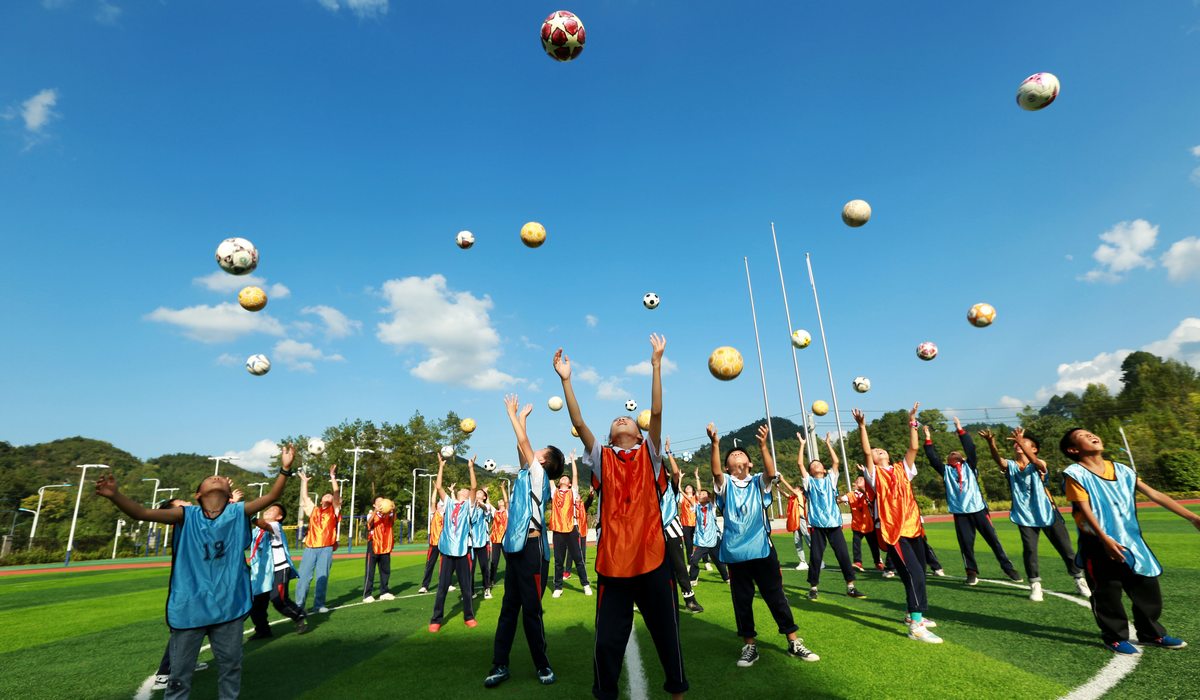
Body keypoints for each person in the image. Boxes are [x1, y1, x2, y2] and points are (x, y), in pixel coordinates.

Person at [95, 445, 295, 698]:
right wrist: (115, 495)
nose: (217, 478)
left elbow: (271, 496)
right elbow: (141, 512)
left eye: (221, 479)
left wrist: (285, 468)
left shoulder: (237, 512)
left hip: (228, 605)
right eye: (210, 478)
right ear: (199, 493)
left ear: (227, 493)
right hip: (190, 605)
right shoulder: (185, 515)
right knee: (180, 675)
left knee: (231, 666)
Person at [557, 336, 688, 700]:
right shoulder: (601, 457)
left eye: (628, 419)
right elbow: (579, 420)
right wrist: (566, 380)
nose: (621, 419)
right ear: (611, 436)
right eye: (616, 420)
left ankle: (677, 691)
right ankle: (605, 693)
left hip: (652, 557)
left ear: (638, 432)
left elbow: (657, 413)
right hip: (613, 562)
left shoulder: (652, 452)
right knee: (606, 641)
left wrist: (656, 364)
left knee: (667, 632)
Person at [1060, 427, 1200, 654]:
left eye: (1092, 433)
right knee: (1107, 592)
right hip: (1097, 543)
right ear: (1073, 449)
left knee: (1147, 588)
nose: (1093, 436)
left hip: (1131, 540)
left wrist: (1192, 517)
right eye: (1084, 436)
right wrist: (1105, 540)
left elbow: (1155, 494)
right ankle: (1114, 637)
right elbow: (1085, 511)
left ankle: (1151, 634)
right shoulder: (1075, 474)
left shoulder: (1123, 470)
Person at [708, 422, 819, 667]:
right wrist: (715, 445)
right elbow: (715, 473)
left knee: (775, 596)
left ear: (749, 463)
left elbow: (770, 472)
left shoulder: (759, 481)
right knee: (742, 601)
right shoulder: (725, 484)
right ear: (727, 467)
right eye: (732, 456)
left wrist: (762, 445)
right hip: (736, 554)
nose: (737, 455)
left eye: (741, 455)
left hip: (762, 550)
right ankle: (749, 646)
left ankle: (793, 641)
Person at [484, 394, 564, 689]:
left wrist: (512, 414)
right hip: (515, 548)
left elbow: (524, 445)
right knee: (509, 608)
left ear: (544, 460)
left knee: (531, 610)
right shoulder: (526, 474)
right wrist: (524, 420)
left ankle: (542, 665)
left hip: (533, 549)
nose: (534, 450)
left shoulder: (540, 475)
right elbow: (522, 449)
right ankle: (499, 664)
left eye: (540, 450)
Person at [853, 404, 943, 643]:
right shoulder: (874, 475)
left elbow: (914, 446)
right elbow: (865, 451)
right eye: (875, 451)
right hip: (895, 531)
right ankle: (915, 626)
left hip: (914, 528)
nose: (878, 451)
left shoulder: (903, 469)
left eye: (881, 449)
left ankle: (913, 614)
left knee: (916, 574)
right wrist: (862, 427)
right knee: (915, 575)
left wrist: (912, 421)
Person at [979, 428, 1090, 602]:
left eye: (1024, 443)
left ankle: (1079, 579)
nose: (1018, 444)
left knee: (1066, 550)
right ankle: (1035, 585)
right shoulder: (1011, 466)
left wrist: (1022, 441)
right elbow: (997, 459)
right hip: (1024, 515)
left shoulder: (1039, 464)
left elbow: (1037, 462)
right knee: (1030, 550)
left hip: (1048, 512)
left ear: (1034, 449)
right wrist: (990, 443)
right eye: (1017, 443)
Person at [923, 419, 1021, 585]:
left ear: (962, 458)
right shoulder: (945, 470)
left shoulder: (970, 466)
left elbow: (971, 448)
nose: (954, 453)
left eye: (957, 453)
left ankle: (1008, 568)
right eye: (951, 454)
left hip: (978, 509)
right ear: (948, 460)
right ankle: (971, 572)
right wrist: (927, 437)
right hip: (961, 514)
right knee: (966, 545)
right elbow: (932, 458)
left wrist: (960, 430)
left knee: (993, 541)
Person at [789, 432, 864, 601]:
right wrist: (802, 444)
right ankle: (813, 588)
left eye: (818, 463)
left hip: (834, 524)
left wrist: (828, 443)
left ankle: (850, 587)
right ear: (810, 471)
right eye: (813, 465)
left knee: (843, 555)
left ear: (824, 469)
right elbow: (800, 463)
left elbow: (836, 462)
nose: (816, 465)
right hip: (817, 526)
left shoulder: (831, 479)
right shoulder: (809, 482)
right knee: (816, 557)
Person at [150, 498, 208, 691]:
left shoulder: (191, 521)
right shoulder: (183, 521)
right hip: (188, 584)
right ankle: (164, 673)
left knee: (198, 625)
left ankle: (185, 664)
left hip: (199, 582)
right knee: (182, 629)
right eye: (182, 503)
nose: (188, 503)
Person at [430, 453, 479, 632]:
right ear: (458, 494)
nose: (466, 492)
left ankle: (469, 616)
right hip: (447, 551)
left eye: (467, 492)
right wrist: (441, 467)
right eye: (463, 491)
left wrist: (471, 468)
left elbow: (474, 487)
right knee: (442, 588)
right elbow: (439, 486)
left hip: (462, 551)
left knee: (466, 588)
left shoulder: (469, 506)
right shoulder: (449, 503)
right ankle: (436, 619)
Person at [248, 502, 308, 637]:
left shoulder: (275, 526)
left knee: (278, 599)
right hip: (263, 572)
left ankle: (298, 615)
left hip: (279, 569)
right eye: (267, 508)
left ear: (279, 517)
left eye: (273, 510)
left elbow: (264, 525)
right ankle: (263, 630)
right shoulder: (256, 531)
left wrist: (250, 516)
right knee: (256, 603)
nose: (268, 510)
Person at [664, 438, 704, 613]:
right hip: (651, 532)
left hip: (671, 529)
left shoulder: (670, 487)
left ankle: (690, 599)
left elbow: (674, 473)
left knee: (680, 565)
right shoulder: (647, 488)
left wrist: (668, 453)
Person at [296, 465, 341, 613]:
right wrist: (305, 482)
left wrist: (332, 477)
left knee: (322, 577)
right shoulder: (314, 510)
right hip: (310, 547)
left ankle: (319, 605)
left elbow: (336, 492)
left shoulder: (334, 510)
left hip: (326, 547)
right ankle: (299, 606)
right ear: (321, 499)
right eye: (326, 496)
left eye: (330, 496)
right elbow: (305, 498)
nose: (328, 497)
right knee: (304, 578)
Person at [549, 452, 591, 597]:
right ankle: (558, 587)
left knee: (578, 559)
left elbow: (575, 476)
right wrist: (552, 462)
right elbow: (551, 476)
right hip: (558, 530)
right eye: (562, 477)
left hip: (572, 528)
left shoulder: (573, 492)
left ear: (570, 483)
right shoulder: (554, 491)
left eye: (566, 478)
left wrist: (573, 460)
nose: (564, 478)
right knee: (559, 561)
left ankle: (585, 584)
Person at [687, 474, 729, 584]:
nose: (702, 495)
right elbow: (698, 491)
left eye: (705, 494)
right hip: (701, 539)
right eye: (700, 495)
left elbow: (714, 494)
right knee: (694, 560)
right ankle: (693, 579)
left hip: (713, 538)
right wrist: (697, 477)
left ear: (709, 497)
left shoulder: (712, 505)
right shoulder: (696, 506)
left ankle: (726, 578)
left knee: (718, 561)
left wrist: (714, 480)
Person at [841, 475, 882, 572]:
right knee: (856, 544)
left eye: (861, 479)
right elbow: (842, 498)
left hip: (869, 525)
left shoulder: (869, 493)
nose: (859, 480)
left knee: (874, 545)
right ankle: (857, 562)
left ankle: (878, 562)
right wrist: (838, 499)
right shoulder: (851, 494)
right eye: (857, 480)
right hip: (857, 525)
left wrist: (864, 489)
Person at [363, 497, 397, 603]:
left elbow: (393, 520)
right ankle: (367, 594)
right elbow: (369, 523)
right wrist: (376, 511)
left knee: (385, 570)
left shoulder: (389, 515)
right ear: (374, 504)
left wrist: (393, 509)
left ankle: (384, 592)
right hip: (374, 544)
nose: (381, 502)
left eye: (382, 501)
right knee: (370, 571)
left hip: (386, 545)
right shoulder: (372, 514)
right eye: (378, 501)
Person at [779, 475, 810, 571]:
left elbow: (790, 490)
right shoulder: (793, 498)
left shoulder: (800, 496)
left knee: (807, 538)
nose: (795, 490)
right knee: (797, 541)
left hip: (801, 520)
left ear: (801, 491)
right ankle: (803, 561)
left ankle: (818, 559)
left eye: (797, 488)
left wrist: (783, 479)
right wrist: (778, 487)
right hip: (795, 521)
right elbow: (786, 495)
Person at [471, 488, 496, 599]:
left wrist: (479, 504)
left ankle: (486, 589)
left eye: (480, 493)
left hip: (482, 541)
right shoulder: (470, 506)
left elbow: (486, 508)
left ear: (484, 497)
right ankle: (470, 592)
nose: (478, 493)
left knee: (484, 567)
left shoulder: (487, 506)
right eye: (477, 492)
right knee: (470, 568)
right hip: (471, 542)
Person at [418, 501, 446, 594]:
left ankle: (446, 583)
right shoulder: (433, 513)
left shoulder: (447, 514)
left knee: (445, 565)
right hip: (434, 543)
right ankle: (425, 585)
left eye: (442, 505)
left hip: (444, 544)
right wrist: (435, 489)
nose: (440, 506)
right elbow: (433, 501)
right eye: (439, 505)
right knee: (430, 565)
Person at [489, 490, 508, 589]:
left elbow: (506, 500)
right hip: (496, 539)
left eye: (501, 501)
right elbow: (487, 503)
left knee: (509, 559)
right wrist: (485, 492)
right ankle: (491, 579)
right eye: (499, 501)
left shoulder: (507, 512)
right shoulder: (495, 512)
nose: (500, 501)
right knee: (494, 560)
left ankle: (512, 578)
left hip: (505, 539)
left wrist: (502, 489)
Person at [678, 478, 698, 566]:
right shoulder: (682, 497)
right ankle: (690, 563)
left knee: (699, 543)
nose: (688, 488)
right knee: (688, 544)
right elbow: (679, 489)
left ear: (693, 490)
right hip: (686, 523)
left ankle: (706, 561)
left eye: (690, 487)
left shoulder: (696, 497)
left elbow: (699, 489)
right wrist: (680, 479)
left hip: (696, 523)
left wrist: (697, 478)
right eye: (686, 487)